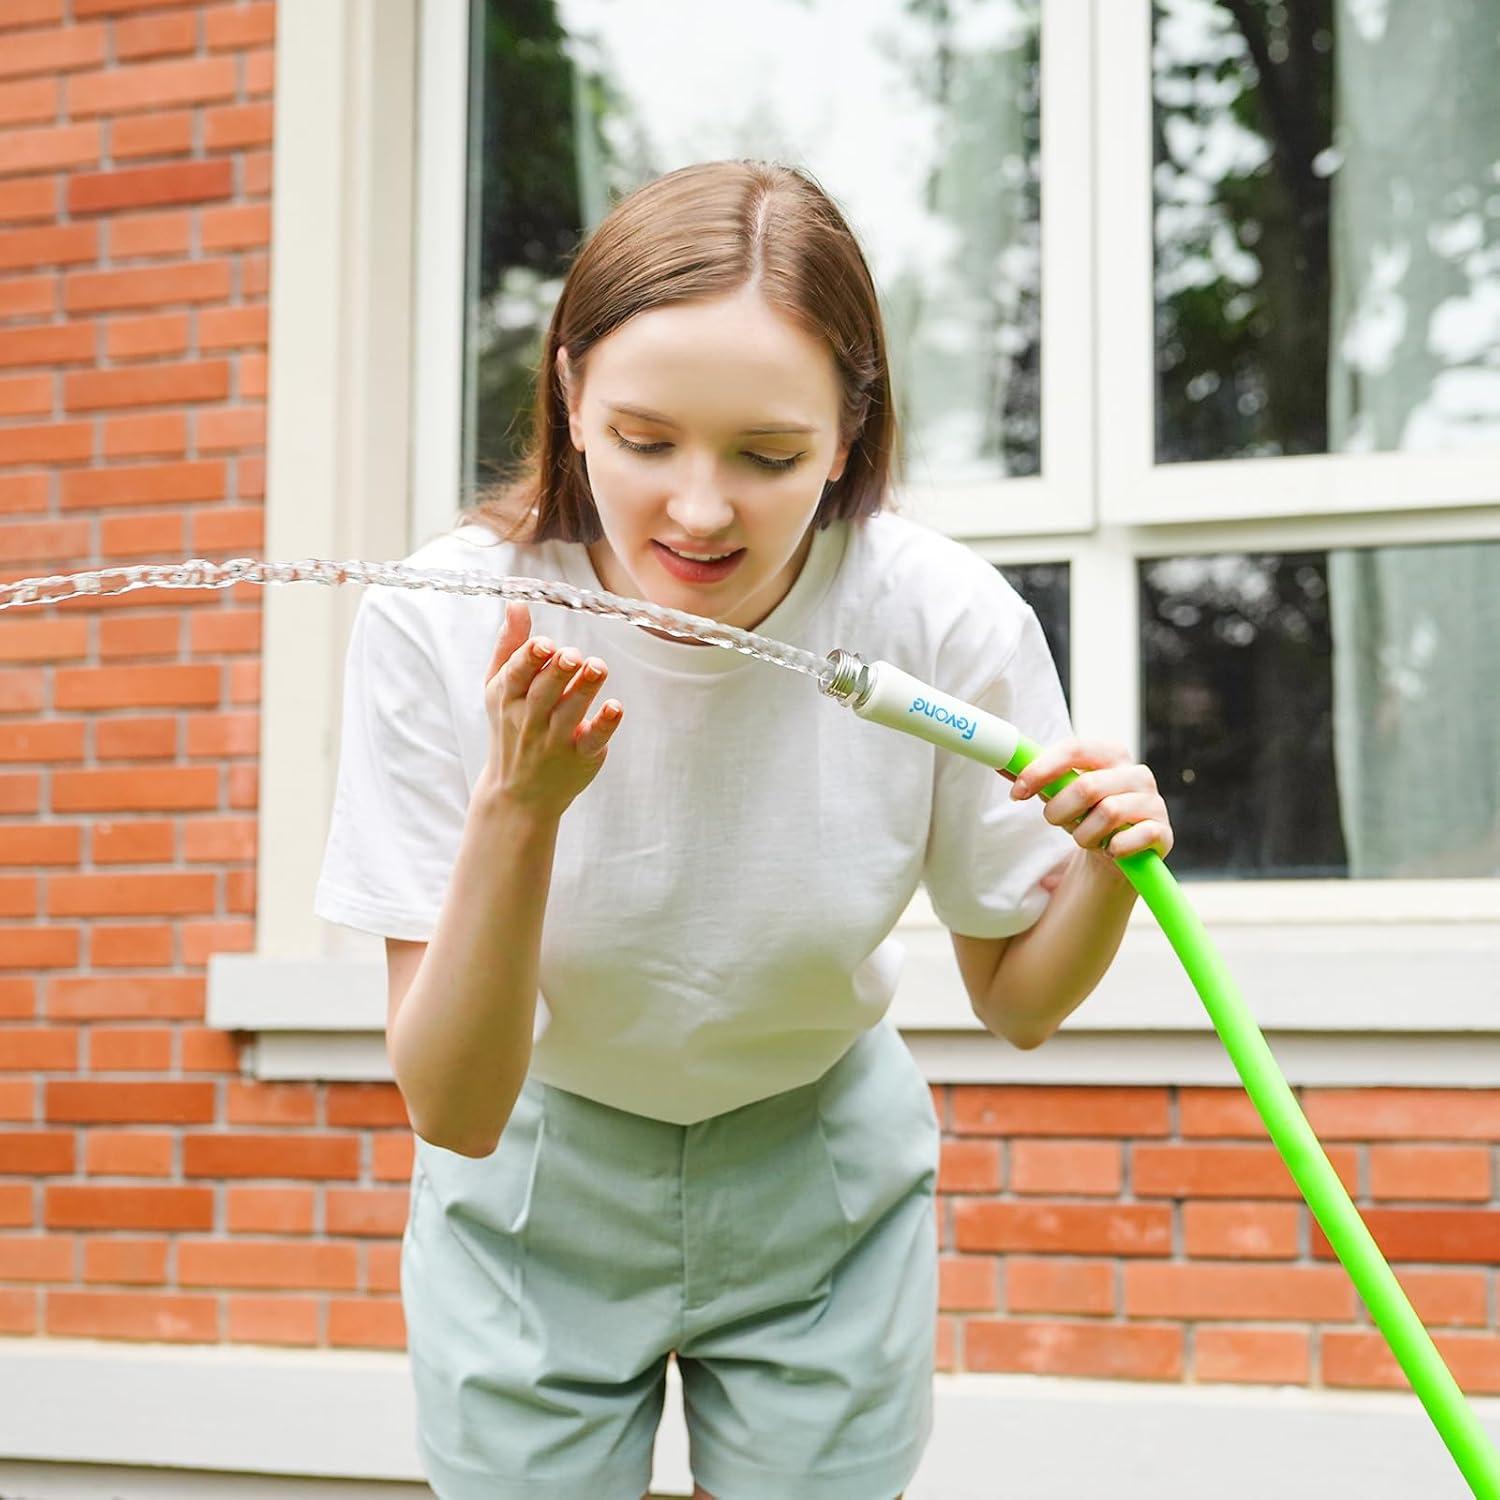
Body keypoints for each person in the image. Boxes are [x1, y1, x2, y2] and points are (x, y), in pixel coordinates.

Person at [314, 159, 1174, 1500]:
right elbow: (457, 1106)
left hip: (815, 1168)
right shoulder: (444, 613)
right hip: (541, 1173)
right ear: (571, 395)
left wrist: (1114, 877)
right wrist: (519, 811)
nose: (701, 510)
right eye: (646, 442)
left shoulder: (938, 618)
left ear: (848, 433)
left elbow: (1018, 998)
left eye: (768, 456)